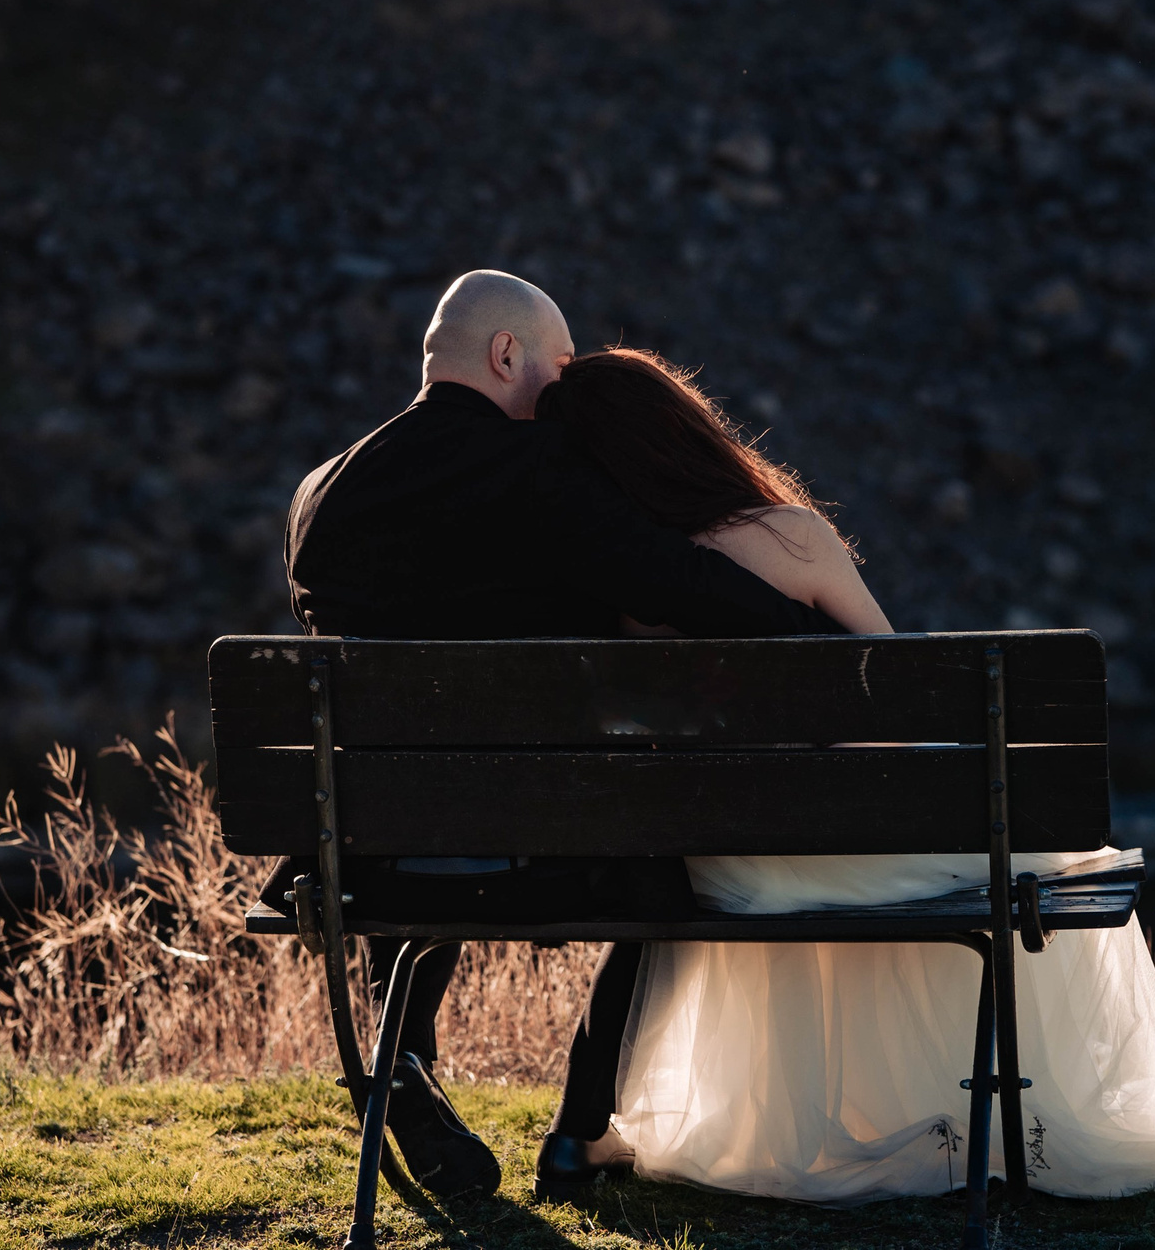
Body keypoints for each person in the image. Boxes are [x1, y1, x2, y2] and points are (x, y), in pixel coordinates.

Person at [534, 348, 1155, 1202]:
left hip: (728, 870)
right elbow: (900, 706)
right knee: (1056, 859)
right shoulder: (790, 537)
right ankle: (996, 1121)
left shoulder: (617, 593)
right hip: (855, 841)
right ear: (684, 432)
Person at [280, 272, 842, 1202]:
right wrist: (829, 647)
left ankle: (402, 1060)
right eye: (560, 365)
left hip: (373, 849)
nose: (567, 389)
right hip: (557, 848)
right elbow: (679, 583)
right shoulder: (535, 470)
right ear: (508, 356)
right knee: (680, 864)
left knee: (420, 805)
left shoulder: (320, 493)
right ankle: (579, 1131)